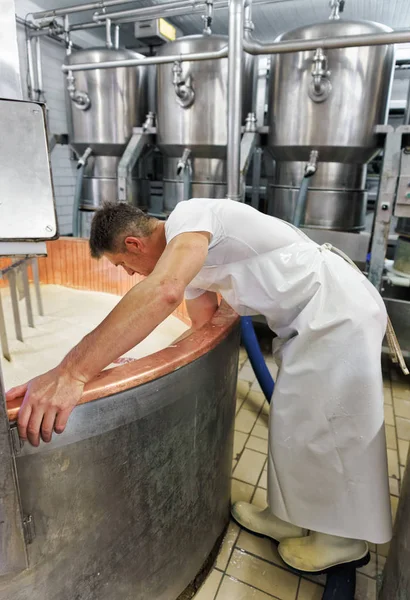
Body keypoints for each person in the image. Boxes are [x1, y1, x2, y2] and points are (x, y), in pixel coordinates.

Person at [6, 198, 393, 574]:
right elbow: (198, 325)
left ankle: (342, 541)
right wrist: (132, 362)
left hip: (337, 311)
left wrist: (73, 372)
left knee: (333, 423)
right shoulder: (191, 260)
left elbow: (163, 291)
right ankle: (291, 516)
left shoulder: (190, 217)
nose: (128, 275)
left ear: (134, 244)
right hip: (310, 321)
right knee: (297, 421)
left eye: (123, 264)